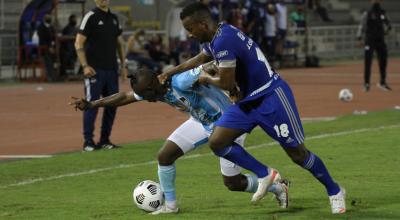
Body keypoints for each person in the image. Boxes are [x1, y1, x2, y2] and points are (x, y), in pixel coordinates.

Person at [158, 2, 346, 214]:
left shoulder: (223, 41)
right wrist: (171, 72)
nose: (189, 34)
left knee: (298, 154)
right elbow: (202, 58)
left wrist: (205, 78)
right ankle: (264, 173)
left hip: (271, 97)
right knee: (218, 141)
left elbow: (227, 84)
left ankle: (335, 190)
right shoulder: (218, 34)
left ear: (202, 25)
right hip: (247, 102)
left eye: (190, 29)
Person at [70, 64, 289, 214]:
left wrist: (231, 87)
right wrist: (92, 104)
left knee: (232, 183)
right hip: (200, 122)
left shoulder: (180, 81)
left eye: (145, 95)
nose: (145, 100)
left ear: (153, 86)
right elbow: (126, 96)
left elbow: (209, 68)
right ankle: (171, 206)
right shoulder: (152, 89)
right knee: (165, 155)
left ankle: (278, 187)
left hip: (227, 125)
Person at [74, 0, 128, 151]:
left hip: (112, 69)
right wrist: (85, 66)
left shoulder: (114, 18)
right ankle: (88, 142)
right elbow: (78, 43)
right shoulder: (90, 16)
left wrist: (123, 66)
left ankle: (105, 140)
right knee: (91, 105)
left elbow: (120, 44)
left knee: (112, 105)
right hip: (94, 70)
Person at [357, 0, 392, 92]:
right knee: (368, 62)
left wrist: (388, 29)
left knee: (383, 61)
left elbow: (388, 24)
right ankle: (366, 83)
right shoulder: (367, 13)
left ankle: (382, 82)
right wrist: (359, 38)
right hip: (369, 40)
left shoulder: (383, 12)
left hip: (380, 40)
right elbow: (362, 25)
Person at [37, 12, 56, 82]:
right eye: (47, 17)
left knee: (62, 54)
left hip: (52, 47)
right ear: (44, 18)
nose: (49, 18)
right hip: (44, 48)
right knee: (48, 58)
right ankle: (51, 76)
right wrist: (49, 47)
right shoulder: (40, 27)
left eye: (49, 16)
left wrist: (53, 46)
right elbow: (42, 39)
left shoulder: (51, 27)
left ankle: (60, 74)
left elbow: (53, 38)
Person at [60, 14, 79, 79]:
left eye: (76, 19)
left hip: (74, 48)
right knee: (67, 58)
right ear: (70, 20)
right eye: (74, 19)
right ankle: (64, 74)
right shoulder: (67, 28)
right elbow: (65, 39)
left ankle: (76, 73)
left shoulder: (76, 28)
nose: (75, 20)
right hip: (67, 49)